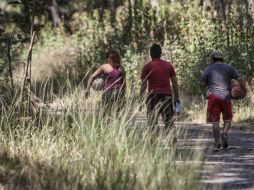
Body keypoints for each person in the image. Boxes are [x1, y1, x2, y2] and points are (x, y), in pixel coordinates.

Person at [200, 50, 247, 150]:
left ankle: (217, 143)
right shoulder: (229, 67)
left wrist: (208, 85)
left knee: (215, 122)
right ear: (222, 58)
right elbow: (240, 79)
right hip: (226, 96)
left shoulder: (208, 69)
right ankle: (225, 134)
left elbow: (202, 84)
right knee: (228, 118)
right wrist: (244, 90)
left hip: (213, 97)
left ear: (213, 59)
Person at [140, 43, 180, 132]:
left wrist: (140, 100)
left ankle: (154, 144)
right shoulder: (168, 65)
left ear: (150, 54)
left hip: (152, 97)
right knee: (169, 122)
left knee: (152, 123)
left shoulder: (146, 67)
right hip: (167, 97)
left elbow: (143, 85)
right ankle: (172, 143)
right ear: (160, 53)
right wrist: (177, 97)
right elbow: (175, 83)